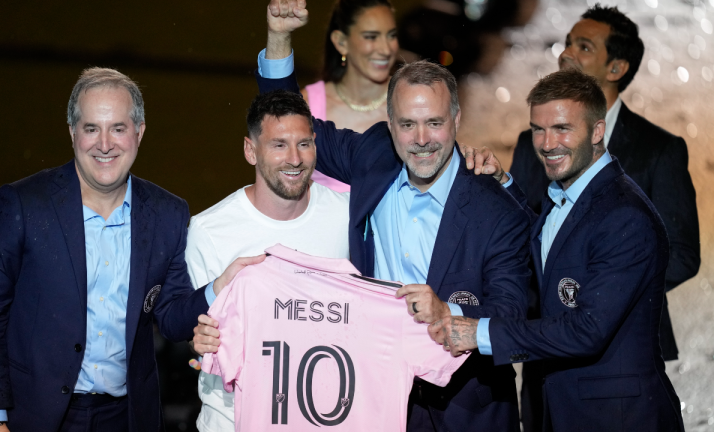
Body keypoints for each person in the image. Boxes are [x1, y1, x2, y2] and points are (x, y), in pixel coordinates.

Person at [203, 1, 531, 430]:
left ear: (456, 119)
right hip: (376, 401)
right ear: (389, 123)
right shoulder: (374, 156)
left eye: (434, 123)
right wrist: (279, 38)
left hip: (470, 408)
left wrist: (447, 313)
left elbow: (513, 318)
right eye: (407, 124)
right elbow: (288, 120)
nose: (421, 140)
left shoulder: (497, 206)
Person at [0, 68, 210, 432]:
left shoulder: (168, 214)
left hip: (122, 418)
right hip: (24, 415)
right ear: (73, 132)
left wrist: (220, 290)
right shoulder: (23, 205)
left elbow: (171, 318)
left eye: (118, 129)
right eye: (91, 128)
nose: (104, 144)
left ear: (139, 133)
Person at [433, 68, 684, 432]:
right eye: (538, 129)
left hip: (621, 419)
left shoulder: (625, 216)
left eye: (562, 128)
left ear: (597, 131)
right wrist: (503, 185)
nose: (547, 144)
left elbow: (587, 330)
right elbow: (552, 249)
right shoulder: (568, 195)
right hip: (564, 411)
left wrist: (480, 333)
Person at [508, 6, 699, 430]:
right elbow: (524, 236)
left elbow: (683, 253)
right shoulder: (531, 142)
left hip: (619, 361)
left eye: (584, 45)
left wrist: (605, 287)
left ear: (616, 66)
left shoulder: (658, 149)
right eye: (568, 41)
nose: (566, 53)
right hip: (544, 354)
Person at [185, 90, 351, 432]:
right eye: (278, 145)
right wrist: (199, 338)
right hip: (230, 422)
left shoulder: (347, 216)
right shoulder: (209, 230)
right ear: (251, 150)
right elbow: (194, 328)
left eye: (304, 144)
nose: (294, 158)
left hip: (325, 421)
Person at [302, 0, 398, 192]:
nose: (386, 49)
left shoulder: (408, 101)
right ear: (341, 42)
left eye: (391, 36)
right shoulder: (308, 104)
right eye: (371, 37)